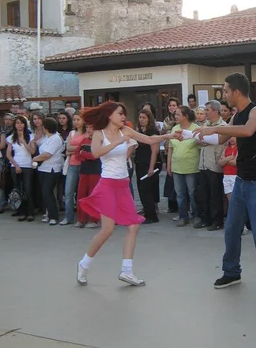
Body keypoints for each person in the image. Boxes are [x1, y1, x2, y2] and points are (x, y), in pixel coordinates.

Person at [194, 73, 256, 298]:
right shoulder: (236, 115)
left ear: (236, 91)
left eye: (225, 90)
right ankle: (231, 272)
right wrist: (191, 135)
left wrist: (214, 128)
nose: (223, 95)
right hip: (242, 181)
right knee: (232, 228)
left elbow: (247, 131)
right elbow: (222, 140)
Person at [75, 101, 179, 287]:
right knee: (107, 230)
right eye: (120, 113)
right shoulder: (99, 133)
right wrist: (118, 141)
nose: (124, 117)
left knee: (133, 226)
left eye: (124, 113)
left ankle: (127, 271)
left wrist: (170, 135)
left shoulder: (127, 131)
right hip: (107, 185)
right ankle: (84, 264)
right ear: (109, 115)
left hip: (123, 185)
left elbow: (148, 140)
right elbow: (96, 153)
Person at [195, 100, 227, 231]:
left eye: (207, 110)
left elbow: (219, 141)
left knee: (215, 195)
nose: (205, 112)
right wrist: (206, 139)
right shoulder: (205, 125)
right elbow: (197, 139)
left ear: (215, 111)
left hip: (214, 164)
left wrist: (205, 139)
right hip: (203, 164)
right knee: (203, 194)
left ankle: (217, 221)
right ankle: (205, 219)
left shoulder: (223, 126)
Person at [168, 106, 200, 227]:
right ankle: (183, 216)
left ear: (186, 116)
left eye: (178, 114)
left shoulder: (196, 128)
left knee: (192, 192)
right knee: (180, 193)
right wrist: (169, 164)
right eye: (175, 115)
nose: (175, 117)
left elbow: (201, 145)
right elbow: (170, 148)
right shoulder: (175, 128)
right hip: (177, 166)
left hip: (191, 166)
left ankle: (197, 215)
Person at [32, 118, 64, 225]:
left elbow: (48, 154)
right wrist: (36, 138)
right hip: (42, 169)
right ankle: (49, 214)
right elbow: (36, 143)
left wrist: (35, 158)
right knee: (44, 193)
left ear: (46, 127)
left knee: (48, 192)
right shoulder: (46, 138)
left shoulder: (55, 138)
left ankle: (54, 216)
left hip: (52, 169)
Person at [6, 115, 36, 221]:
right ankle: (22, 212)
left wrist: (23, 141)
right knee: (18, 190)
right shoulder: (10, 137)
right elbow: (8, 154)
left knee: (28, 190)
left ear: (25, 124)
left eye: (21, 123)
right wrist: (16, 165)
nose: (19, 125)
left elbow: (32, 151)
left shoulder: (31, 136)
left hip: (27, 165)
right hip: (15, 165)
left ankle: (30, 213)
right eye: (17, 123)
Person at [60, 111, 87, 226]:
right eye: (74, 119)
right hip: (72, 164)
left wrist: (74, 149)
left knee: (83, 193)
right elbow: (67, 149)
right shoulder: (71, 133)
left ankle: (83, 217)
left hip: (84, 165)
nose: (76, 122)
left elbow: (86, 148)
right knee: (68, 192)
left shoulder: (87, 134)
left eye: (78, 119)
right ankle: (68, 217)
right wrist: (78, 148)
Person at [134, 109, 161, 224]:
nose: (142, 120)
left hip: (149, 164)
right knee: (141, 189)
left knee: (147, 190)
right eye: (140, 117)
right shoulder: (139, 131)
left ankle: (152, 215)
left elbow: (154, 151)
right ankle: (146, 211)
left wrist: (151, 168)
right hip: (140, 163)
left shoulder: (152, 131)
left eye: (144, 118)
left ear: (149, 119)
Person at [74, 124, 101, 228]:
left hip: (95, 171)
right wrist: (84, 156)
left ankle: (93, 220)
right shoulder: (84, 140)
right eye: (87, 128)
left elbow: (94, 156)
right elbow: (77, 154)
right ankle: (81, 219)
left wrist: (83, 154)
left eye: (91, 127)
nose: (89, 130)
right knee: (81, 195)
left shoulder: (99, 141)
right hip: (84, 170)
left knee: (92, 195)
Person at [162, 97, 180, 213]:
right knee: (169, 178)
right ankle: (171, 204)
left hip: (178, 149)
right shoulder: (166, 119)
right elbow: (164, 132)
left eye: (174, 105)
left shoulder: (180, 119)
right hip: (167, 149)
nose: (172, 107)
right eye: (170, 105)